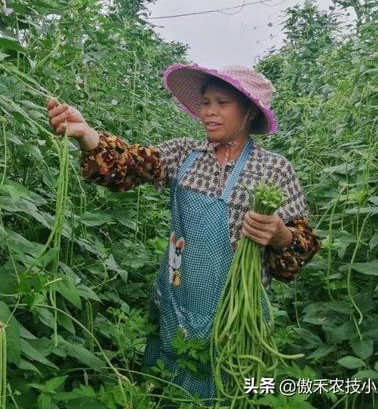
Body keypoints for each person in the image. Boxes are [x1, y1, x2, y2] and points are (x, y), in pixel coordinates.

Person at [46, 62, 321, 405]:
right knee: (169, 383)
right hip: (178, 298)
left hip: (237, 309)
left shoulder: (274, 170)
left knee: (228, 386)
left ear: (249, 110)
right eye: (206, 103)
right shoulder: (184, 155)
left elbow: (303, 244)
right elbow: (130, 164)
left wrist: (282, 236)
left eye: (222, 103)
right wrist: (87, 135)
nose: (210, 112)